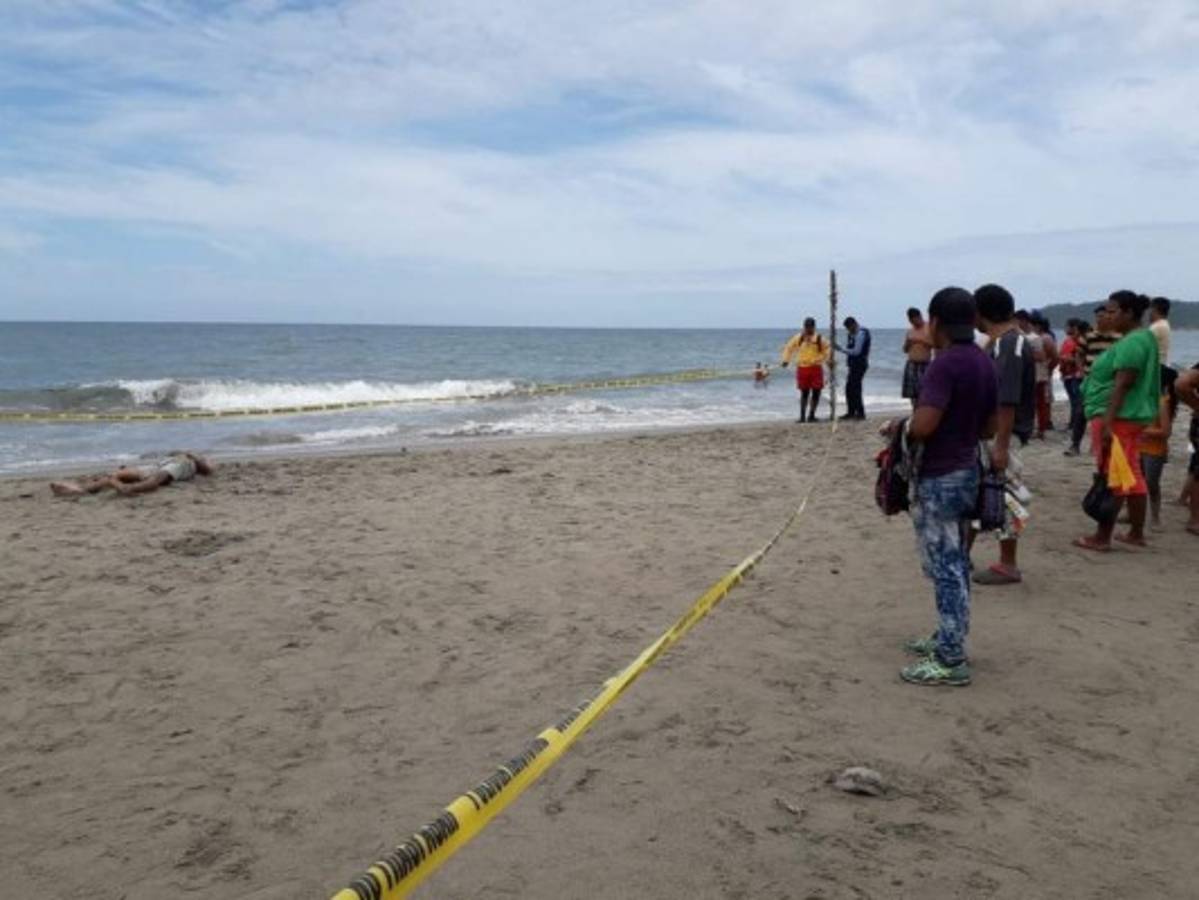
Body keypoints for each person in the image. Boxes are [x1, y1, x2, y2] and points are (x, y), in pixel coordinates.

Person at [890, 287, 997, 686]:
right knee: (955, 560)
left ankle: (951, 657)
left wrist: (901, 426)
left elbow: (924, 426)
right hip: (968, 468)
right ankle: (946, 635)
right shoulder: (984, 363)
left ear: (934, 322)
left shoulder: (944, 365)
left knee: (945, 565)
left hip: (941, 475)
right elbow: (988, 426)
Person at [1074, 291, 1160, 551]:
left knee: (1114, 474)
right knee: (1130, 473)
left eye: (1113, 311)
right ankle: (1135, 532)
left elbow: (1123, 383)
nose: (1107, 316)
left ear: (1128, 313)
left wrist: (1108, 424)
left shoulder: (1133, 342)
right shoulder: (1139, 339)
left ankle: (1102, 537)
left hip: (1119, 417)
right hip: (1128, 416)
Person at [971, 284, 1035, 585]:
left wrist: (1001, 445)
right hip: (995, 433)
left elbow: (1006, 400)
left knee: (1006, 495)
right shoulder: (1001, 342)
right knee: (979, 491)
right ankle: (963, 552)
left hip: (1003, 434)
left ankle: (1008, 563)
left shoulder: (1010, 344)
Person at [50, 452, 214, 498]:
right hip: (162, 464)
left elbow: (208, 470)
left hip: (178, 465)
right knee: (123, 474)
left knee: (155, 479)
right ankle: (82, 488)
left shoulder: (192, 462)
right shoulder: (188, 458)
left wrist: (193, 457)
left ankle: (123, 487)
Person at [1139, 367, 1178, 529]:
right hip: (1138, 447)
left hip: (1154, 450)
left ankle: (1155, 517)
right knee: (1136, 482)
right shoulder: (1144, 398)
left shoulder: (1162, 403)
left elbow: (1166, 431)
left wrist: (1143, 431)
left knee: (1151, 483)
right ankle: (1133, 512)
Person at [778, 317, 831, 423]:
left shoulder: (820, 339)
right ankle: (802, 417)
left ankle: (811, 416)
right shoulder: (799, 338)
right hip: (802, 368)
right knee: (804, 393)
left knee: (816, 392)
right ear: (804, 327)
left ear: (814, 327)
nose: (808, 329)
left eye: (810, 327)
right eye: (806, 327)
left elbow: (828, 350)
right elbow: (789, 348)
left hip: (816, 368)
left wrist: (827, 360)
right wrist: (785, 360)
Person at [837, 316, 871, 420]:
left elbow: (857, 351)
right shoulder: (851, 334)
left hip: (860, 364)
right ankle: (851, 412)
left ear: (854, 324)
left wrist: (841, 349)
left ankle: (860, 413)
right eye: (847, 329)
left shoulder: (861, 333)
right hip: (853, 365)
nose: (849, 330)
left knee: (856, 388)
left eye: (849, 328)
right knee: (849, 388)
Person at [1031, 311, 1059, 437]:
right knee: (1043, 400)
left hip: (1041, 374)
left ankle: (1044, 424)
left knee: (1043, 400)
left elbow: (1055, 357)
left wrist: (1049, 369)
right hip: (1040, 374)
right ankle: (1045, 423)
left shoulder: (1045, 338)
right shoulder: (1040, 337)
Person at [1059, 319, 1085, 455]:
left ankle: (1073, 426)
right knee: (1075, 403)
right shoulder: (1070, 341)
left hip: (1074, 375)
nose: (1066, 329)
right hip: (1070, 375)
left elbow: (1076, 358)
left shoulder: (1078, 342)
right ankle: (1072, 424)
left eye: (1069, 327)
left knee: (1077, 404)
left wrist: (1066, 359)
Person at [901, 307, 933, 409]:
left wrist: (921, 341)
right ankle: (915, 411)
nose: (914, 323)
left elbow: (936, 344)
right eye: (911, 322)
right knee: (912, 393)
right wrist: (908, 344)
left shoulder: (929, 328)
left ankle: (923, 411)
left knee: (925, 391)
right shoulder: (910, 331)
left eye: (915, 320)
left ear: (919, 317)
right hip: (911, 363)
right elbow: (905, 350)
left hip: (925, 363)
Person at [1148, 296, 1171, 372]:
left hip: (1156, 369)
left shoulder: (1156, 327)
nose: (1149, 313)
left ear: (1154, 309)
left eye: (1150, 309)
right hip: (1163, 366)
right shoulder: (1165, 324)